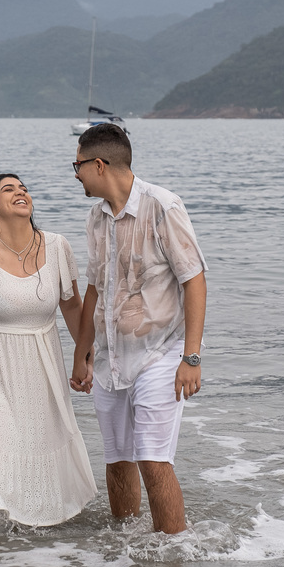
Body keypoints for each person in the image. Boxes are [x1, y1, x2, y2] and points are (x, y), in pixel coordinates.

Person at [69, 124, 207, 535]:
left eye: (77, 166)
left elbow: (194, 280)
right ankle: (125, 548)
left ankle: (173, 554)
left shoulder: (163, 206)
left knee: (152, 458)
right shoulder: (96, 218)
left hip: (162, 353)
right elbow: (95, 287)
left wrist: (192, 358)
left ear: (98, 164)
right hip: (112, 358)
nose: (75, 174)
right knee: (118, 459)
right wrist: (82, 351)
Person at [0, 173, 97, 532]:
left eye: (23, 187)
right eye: (8, 189)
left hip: (40, 367)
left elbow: (72, 308)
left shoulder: (57, 247)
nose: (20, 191)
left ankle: (35, 549)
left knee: (38, 454)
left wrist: (85, 356)